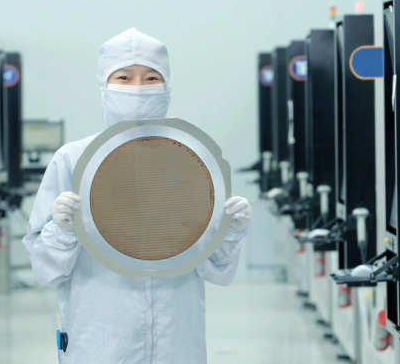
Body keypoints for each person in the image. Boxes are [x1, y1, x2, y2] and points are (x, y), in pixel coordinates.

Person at [23, 28, 252, 364]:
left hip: (177, 340)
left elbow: (217, 272)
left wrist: (229, 233)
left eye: (150, 78)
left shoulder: (192, 162)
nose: (137, 88)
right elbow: (46, 271)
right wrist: (61, 231)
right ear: (104, 85)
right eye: (125, 77)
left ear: (167, 86)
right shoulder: (72, 161)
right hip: (100, 342)